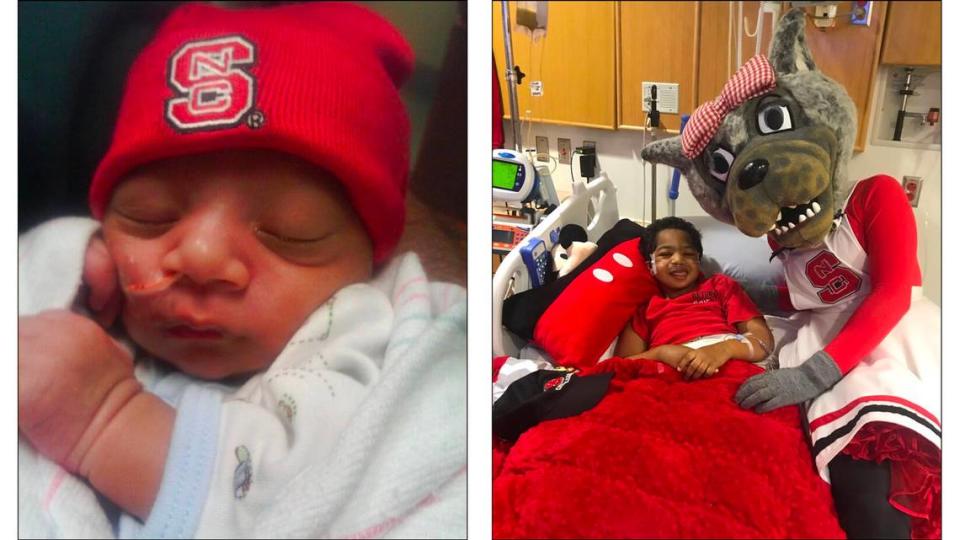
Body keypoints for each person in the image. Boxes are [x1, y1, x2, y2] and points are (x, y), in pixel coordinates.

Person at [17, 3, 465, 538]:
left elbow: (328, 492)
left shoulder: (365, 337)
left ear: (371, 261)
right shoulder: (91, 294)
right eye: (149, 218)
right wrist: (63, 262)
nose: (201, 259)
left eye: (287, 233)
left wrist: (106, 422)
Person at [614, 217, 774, 379]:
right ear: (650, 266)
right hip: (671, 376)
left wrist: (724, 349)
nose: (678, 260)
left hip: (727, 364)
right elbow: (621, 366)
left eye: (688, 253)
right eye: (666, 254)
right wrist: (661, 353)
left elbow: (763, 341)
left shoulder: (720, 287)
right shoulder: (645, 310)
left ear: (698, 260)